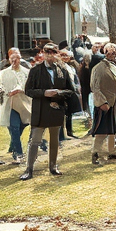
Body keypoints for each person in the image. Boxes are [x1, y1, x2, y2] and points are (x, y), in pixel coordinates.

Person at [20, 43, 72, 179]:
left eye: (53, 52)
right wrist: (44, 93)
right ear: (43, 53)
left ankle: (53, 166)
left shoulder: (62, 70)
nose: (50, 54)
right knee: (35, 140)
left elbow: (70, 90)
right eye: (47, 52)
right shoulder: (35, 70)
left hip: (56, 109)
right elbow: (28, 90)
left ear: (57, 53)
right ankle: (29, 169)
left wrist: (58, 94)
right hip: (40, 110)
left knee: (54, 140)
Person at [90, 42, 116, 164]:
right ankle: (95, 153)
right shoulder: (99, 67)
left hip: (114, 102)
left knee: (112, 130)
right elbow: (95, 87)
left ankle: (112, 152)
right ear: (105, 53)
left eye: (115, 52)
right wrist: (102, 102)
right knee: (102, 131)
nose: (113, 54)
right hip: (104, 104)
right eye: (110, 52)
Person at [0, 48, 31, 164]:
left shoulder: (27, 72)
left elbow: (30, 86)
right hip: (11, 103)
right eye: (13, 58)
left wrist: (21, 89)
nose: (16, 60)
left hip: (24, 103)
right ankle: (19, 153)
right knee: (14, 127)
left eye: (18, 58)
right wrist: (6, 91)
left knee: (23, 125)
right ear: (9, 59)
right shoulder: (4, 73)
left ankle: (14, 146)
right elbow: (1, 87)